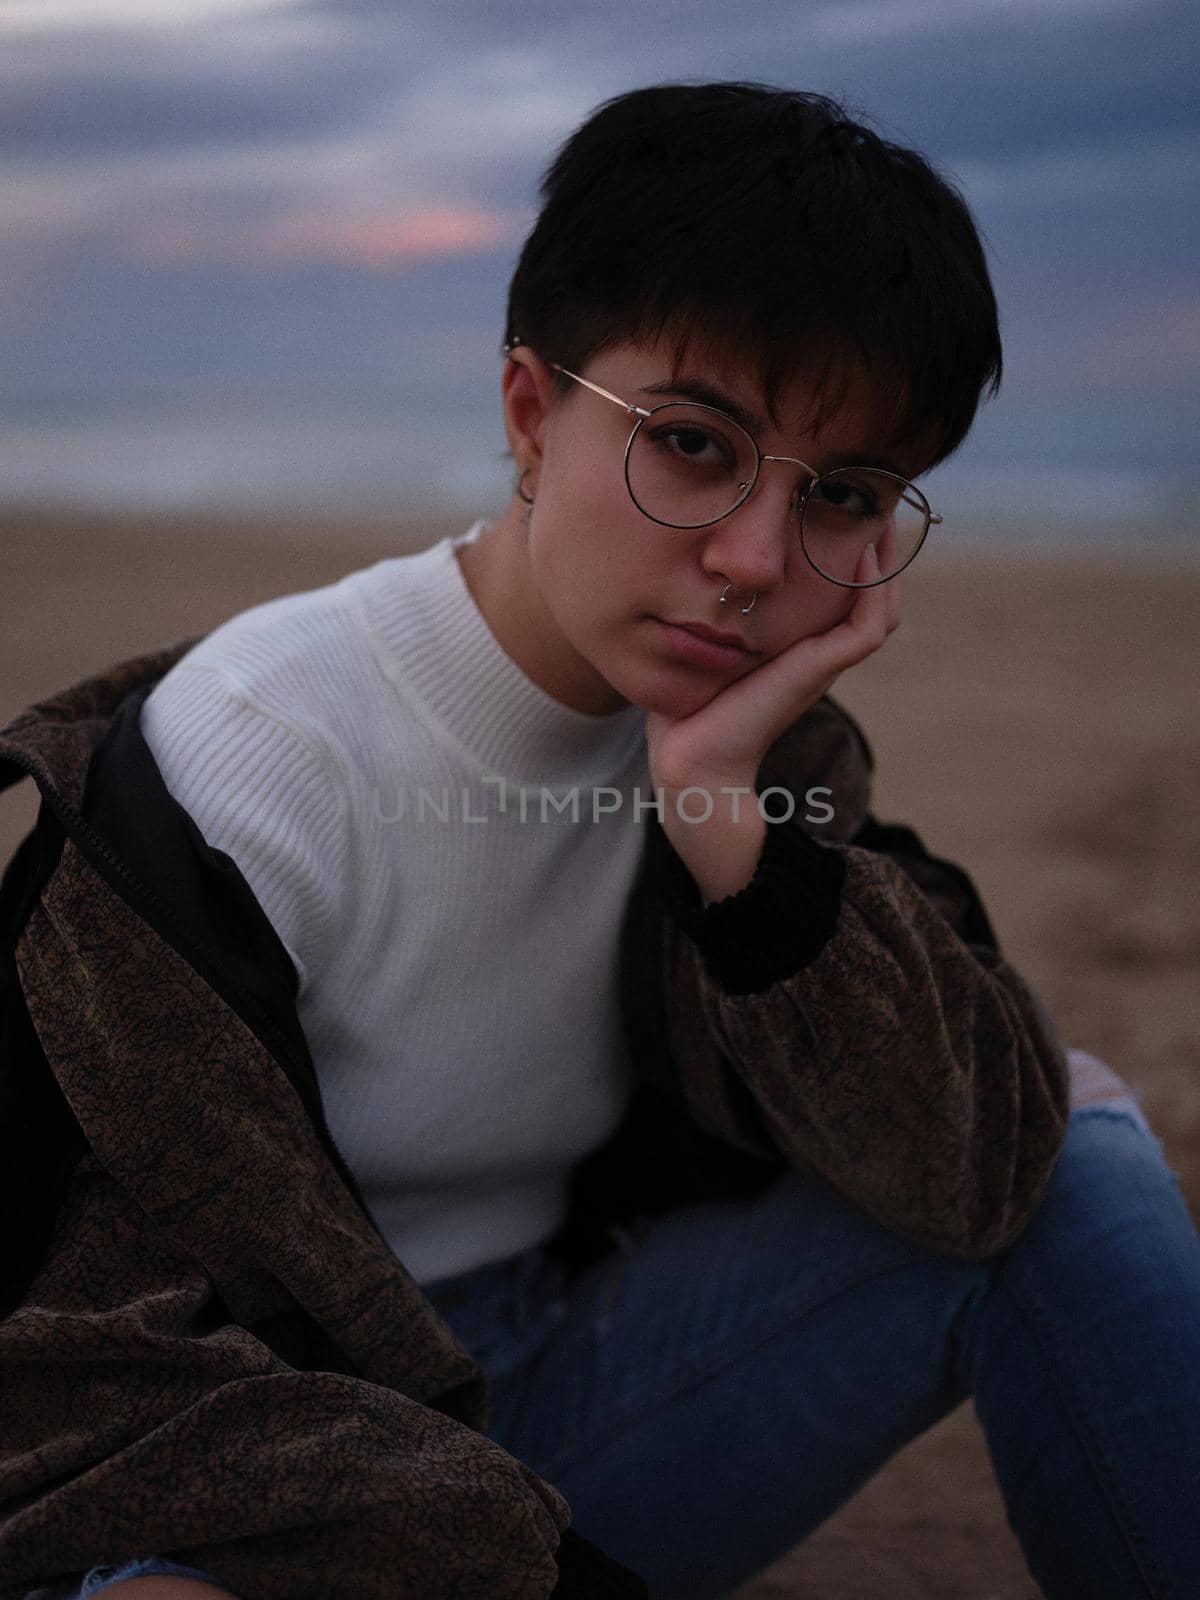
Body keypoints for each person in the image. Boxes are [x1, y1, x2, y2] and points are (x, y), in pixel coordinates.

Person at [2, 81, 1199, 1600]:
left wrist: (735, 844)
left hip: (564, 1388)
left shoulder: (763, 747)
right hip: (270, 1473)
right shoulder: (247, 763)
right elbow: (80, 1371)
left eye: (844, 495)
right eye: (692, 446)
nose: (757, 564)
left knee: (1074, 1140)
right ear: (529, 410)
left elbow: (974, 1176)